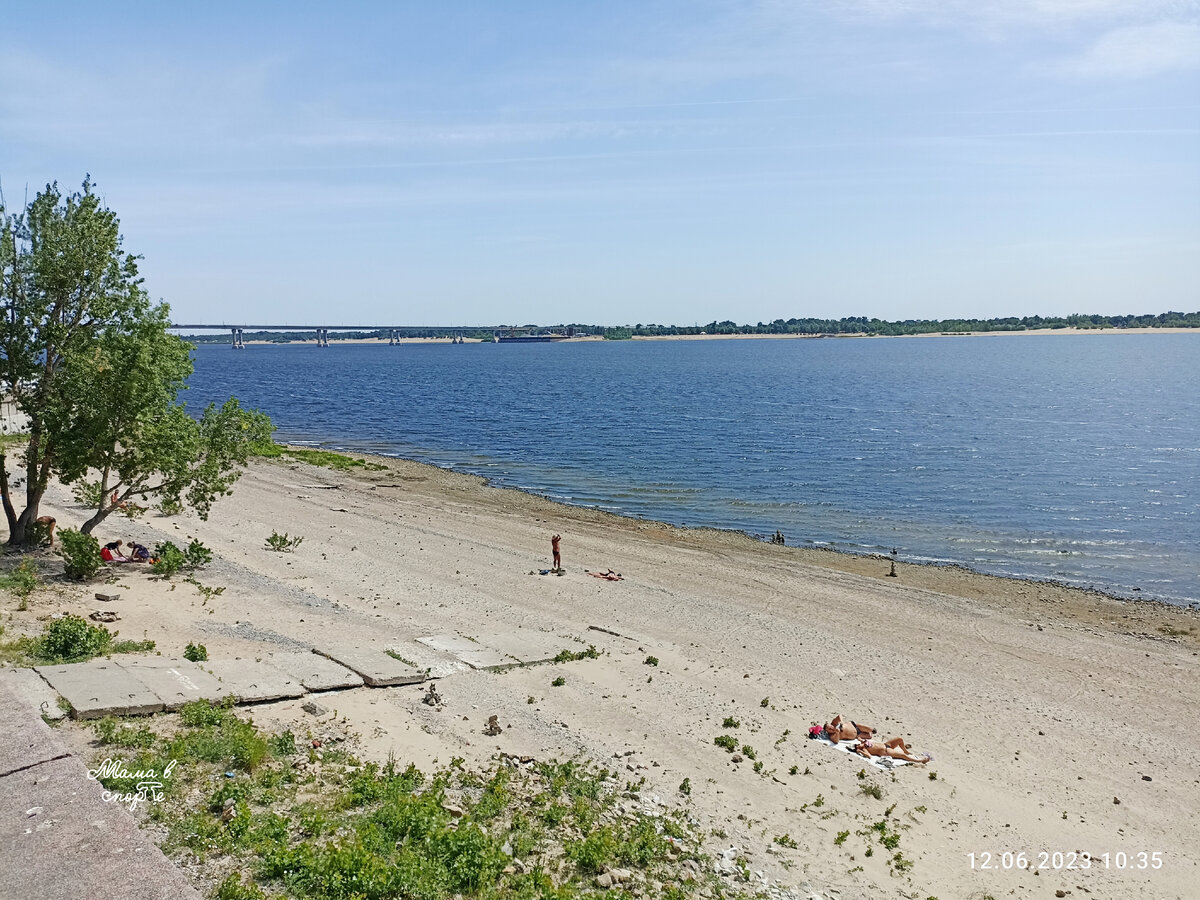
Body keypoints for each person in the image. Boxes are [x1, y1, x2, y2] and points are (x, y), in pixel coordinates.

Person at [853, 736, 932, 763]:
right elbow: (869, 756)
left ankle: (906, 751)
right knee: (903, 756)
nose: (858, 745)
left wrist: (859, 739)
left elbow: (859, 738)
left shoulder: (862, 742)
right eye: (857, 746)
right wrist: (860, 751)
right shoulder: (863, 749)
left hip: (886, 745)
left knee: (899, 739)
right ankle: (920, 761)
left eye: (857, 744)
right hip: (886, 751)